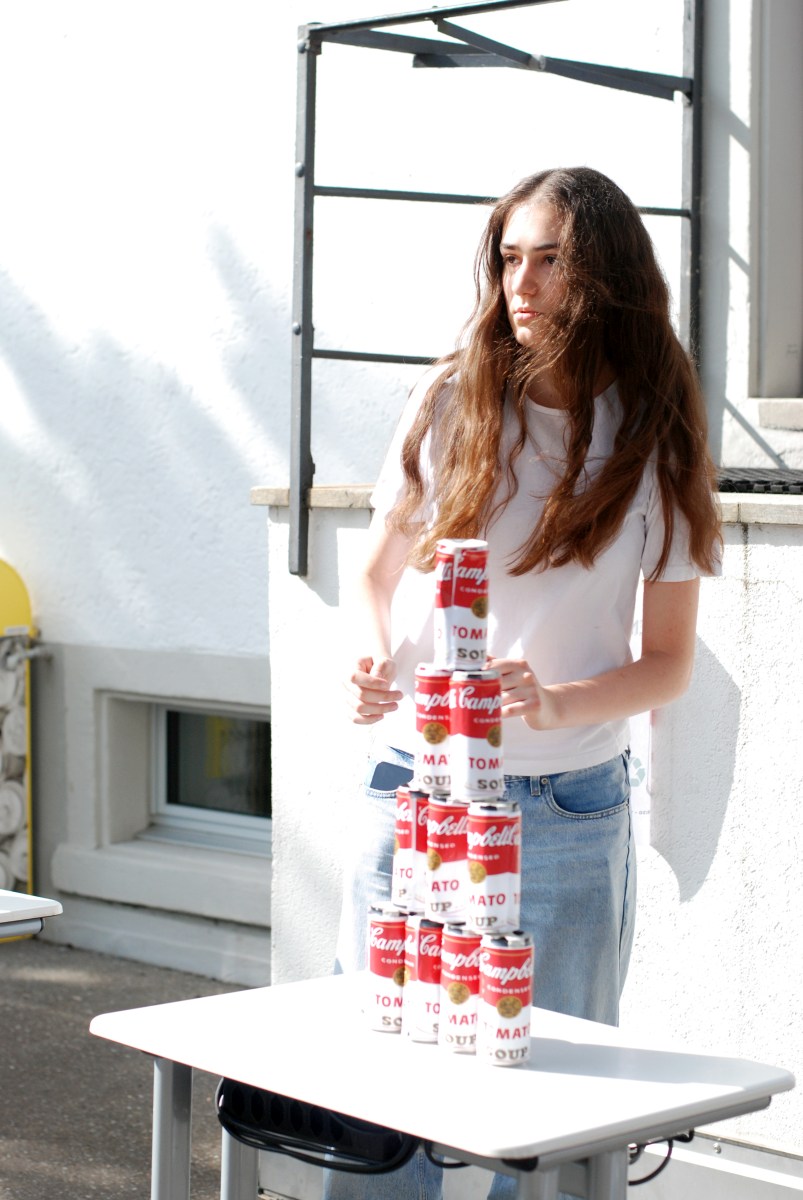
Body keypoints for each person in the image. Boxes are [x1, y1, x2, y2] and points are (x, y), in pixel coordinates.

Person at [331, 166, 722, 1200]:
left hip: (564, 807)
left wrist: (554, 703)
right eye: (508, 258)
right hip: (414, 789)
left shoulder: (655, 435)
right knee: (377, 1105)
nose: (522, 283)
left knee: (553, 1123)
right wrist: (370, 660)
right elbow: (373, 578)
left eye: (550, 259)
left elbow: (668, 663)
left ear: (604, 275)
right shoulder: (449, 398)